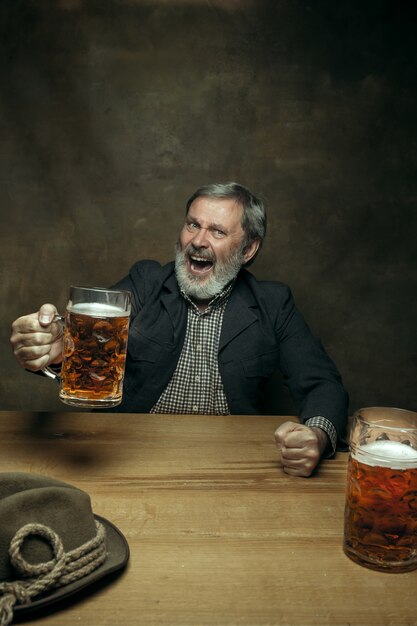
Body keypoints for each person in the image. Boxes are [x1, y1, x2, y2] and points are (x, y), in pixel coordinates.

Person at [10, 182, 348, 477]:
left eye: (217, 231)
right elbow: (89, 348)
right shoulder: (146, 282)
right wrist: (54, 352)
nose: (198, 241)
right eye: (192, 225)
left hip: (235, 463)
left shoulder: (273, 302)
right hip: (132, 454)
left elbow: (321, 383)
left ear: (248, 249)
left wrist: (316, 437)